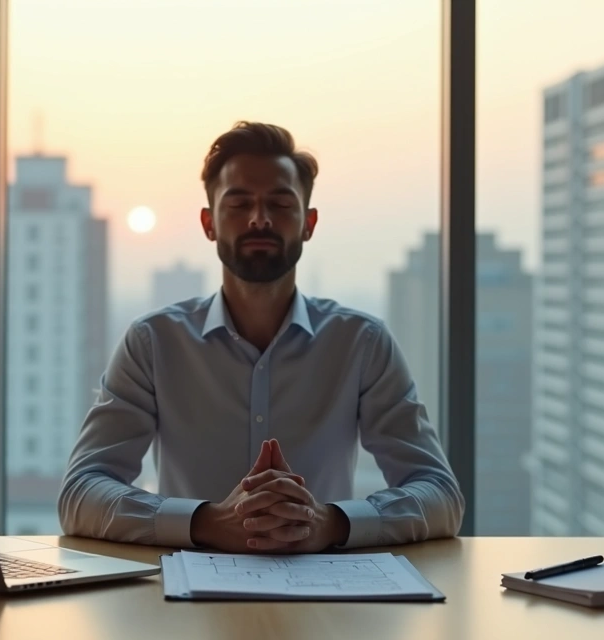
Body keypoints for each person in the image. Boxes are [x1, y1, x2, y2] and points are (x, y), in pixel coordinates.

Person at [58, 121, 464, 553]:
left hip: (326, 591)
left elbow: (440, 495)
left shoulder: (361, 343)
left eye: (280, 203)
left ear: (308, 223)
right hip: (188, 596)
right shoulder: (153, 342)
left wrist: (330, 523)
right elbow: (80, 494)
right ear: (208, 223)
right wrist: (208, 522)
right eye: (238, 203)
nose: (259, 219)